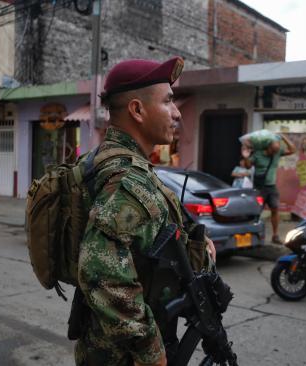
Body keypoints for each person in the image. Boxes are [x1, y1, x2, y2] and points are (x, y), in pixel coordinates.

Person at [75, 57, 216, 366]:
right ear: (137, 110)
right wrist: (150, 352)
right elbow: (99, 271)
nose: (177, 112)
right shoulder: (127, 179)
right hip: (122, 355)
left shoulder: (105, 159)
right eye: (168, 101)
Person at [244, 134, 296, 244]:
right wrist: (246, 156)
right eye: (273, 150)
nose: (274, 152)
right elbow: (248, 166)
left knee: (275, 209)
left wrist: (284, 137)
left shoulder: (277, 153)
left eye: (276, 150)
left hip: (271, 187)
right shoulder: (257, 155)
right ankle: (253, 234)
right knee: (256, 212)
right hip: (259, 188)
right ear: (268, 147)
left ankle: (275, 235)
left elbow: (292, 150)